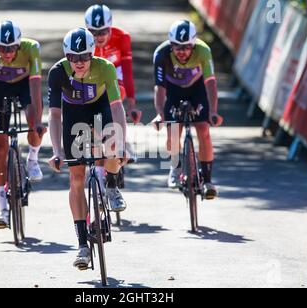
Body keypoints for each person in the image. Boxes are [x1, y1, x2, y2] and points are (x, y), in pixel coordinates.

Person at [47, 28, 128, 269]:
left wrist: (121, 143)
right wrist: (56, 150)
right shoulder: (57, 73)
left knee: (113, 141)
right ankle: (82, 245)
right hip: (73, 114)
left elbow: (116, 107)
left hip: (100, 108)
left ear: (92, 54)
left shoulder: (105, 68)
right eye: (73, 57)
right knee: (76, 178)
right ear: (66, 56)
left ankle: (112, 186)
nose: (79, 62)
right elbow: (54, 115)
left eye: (84, 57)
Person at [0, 21, 46, 229]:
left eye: (12, 48)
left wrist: (38, 122)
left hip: (24, 86)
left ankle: (33, 159)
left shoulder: (32, 48)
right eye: (3, 49)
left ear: (19, 44)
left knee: (33, 119)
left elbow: (35, 85)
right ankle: (3, 209)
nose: (7, 53)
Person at [153, 20, 223, 199]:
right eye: (177, 47)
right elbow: (160, 88)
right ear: (171, 45)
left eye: (186, 47)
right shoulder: (161, 54)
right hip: (174, 91)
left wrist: (213, 111)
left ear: (193, 45)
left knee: (203, 129)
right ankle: (175, 168)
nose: (182, 52)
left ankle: (207, 180)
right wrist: (160, 114)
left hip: (197, 89)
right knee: (173, 132)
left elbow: (211, 82)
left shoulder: (203, 51)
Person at [85, 4, 142, 187]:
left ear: (110, 28)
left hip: (115, 76)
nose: (98, 37)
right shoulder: (83, 40)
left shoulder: (122, 37)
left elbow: (128, 72)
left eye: (103, 31)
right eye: (93, 32)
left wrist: (132, 105)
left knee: (114, 98)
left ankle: (121, 141)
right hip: (92, 78)